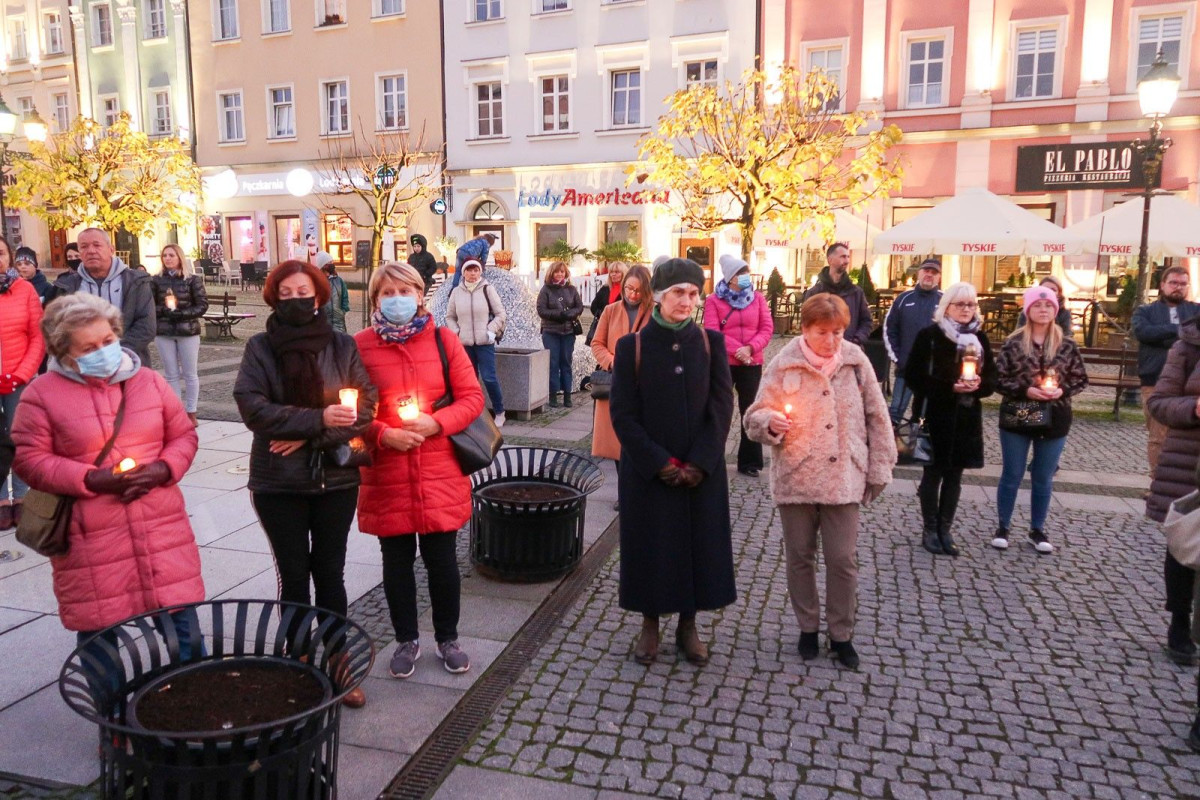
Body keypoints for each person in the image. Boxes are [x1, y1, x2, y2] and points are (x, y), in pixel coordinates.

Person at [11, 293, 205, 664]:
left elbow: (183, 435)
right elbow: (29, 460)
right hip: (90, 535)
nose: (103, 351)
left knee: (186, 633)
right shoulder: (41, 394)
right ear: (66, 353)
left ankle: (195, 708)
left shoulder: (148, 381)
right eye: (89, 347)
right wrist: (90, 478)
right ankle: (113, 717)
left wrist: (163, 468)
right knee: (100, 633)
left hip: (160, 524)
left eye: (107, 341)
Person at [233, 259, 377, 709]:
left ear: (320, 296)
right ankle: (295, 658)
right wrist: (315, 419)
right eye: (287, 293)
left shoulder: (342, 344)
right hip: (278, 484)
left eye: (305, 292)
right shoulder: (260, 347)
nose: (297, 300)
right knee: (293, 575)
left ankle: (338, 660)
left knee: (330, 573)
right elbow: (252, 406)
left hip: (335, 478)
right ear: (275, 298)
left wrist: (306, 437)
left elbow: (366, 406)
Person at [744, 294, 895, 669]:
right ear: (805, 329)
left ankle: (841, 634)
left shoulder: (856, 362)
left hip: (844, 476)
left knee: (842, 559)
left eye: (838, 332)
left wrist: (879, 468)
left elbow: (878, 418)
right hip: (797, 474)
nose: (831, 341)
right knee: (800, 557)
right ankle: (807, 627)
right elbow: (754, 415)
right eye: (822, 332)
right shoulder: (784, 362)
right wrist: (768, 423)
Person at [354, 262, 484, 679]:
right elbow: (349, 408)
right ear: (375, 299)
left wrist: (436, 423)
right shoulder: (358, 346)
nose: (397, 300)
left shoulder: (445, 340)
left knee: (443, 561)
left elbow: (471, 398)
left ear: (419, 294)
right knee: (395, 562)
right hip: (387, 472)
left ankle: (448, 638)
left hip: (438, 469)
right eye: (387, 293)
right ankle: (406, 639)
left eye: (404, 291)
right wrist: (381, 434)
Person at [610, 258, 735, 667]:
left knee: (697, 545)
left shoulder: (709, 343)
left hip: (701, 471)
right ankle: (649, 622)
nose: (687, 300)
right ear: (660, 297)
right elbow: (623, 414)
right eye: (679, 293)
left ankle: (688, 623)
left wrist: (701, 461)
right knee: (651, 545)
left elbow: (721, 406)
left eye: (694, 293)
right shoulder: (633, 346)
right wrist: (659, 462)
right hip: (650, 472)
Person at [993, 285, 1088, 555]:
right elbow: (998, 379)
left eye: (1049, 306)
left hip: (1054, 417)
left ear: (1055, 311)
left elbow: (1080, 378)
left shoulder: (1067, 344)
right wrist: (1024, 389)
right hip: (1019, 413)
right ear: (1028, 310)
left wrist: (1062, 390)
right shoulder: (1014, 343)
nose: (1043, 309)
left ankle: (1037, 529)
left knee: (1043, 477)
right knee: (1012, 474)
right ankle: (1003, 526)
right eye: (1038, 305)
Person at [903, 282, 997, 557]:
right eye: (961, 304)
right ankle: (930, 529)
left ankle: (946, 529)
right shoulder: (930, 336)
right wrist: (949, 387)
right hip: (935, 415)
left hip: (966, 418)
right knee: (933, 473)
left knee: (955, 476)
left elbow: (992, 378)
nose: (967, 309)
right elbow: (913, 376)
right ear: (947, 307)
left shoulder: (980, 338)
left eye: (971, 304)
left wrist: (978, 385)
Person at [1146, 316, 1200, 665]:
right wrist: (1194, 408)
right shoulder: (1188, 346)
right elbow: (1159, 402)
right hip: (1189, 464)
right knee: (1186, 545)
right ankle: (1179, 623)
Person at [703, 254, 773, 477]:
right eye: (741, 273)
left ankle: (750, 462)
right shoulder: (714, 300)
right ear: (730, 277)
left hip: (752, 361)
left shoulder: (758, 299)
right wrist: (737, 351)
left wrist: (750, 348)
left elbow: (767, 328)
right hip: (725, 362)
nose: (746, 277)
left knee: (750, 410)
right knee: (720, 409)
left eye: (747, 272)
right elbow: (713, 332)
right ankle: (713, 458)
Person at [53, 228, 155, 365]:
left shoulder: (136, 282)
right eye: (84, 247)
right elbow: (60, 327)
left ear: (111, 249)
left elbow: (146, 325)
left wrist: (116, 352)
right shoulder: (67, 286)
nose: (91, 251)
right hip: (86, 364)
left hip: (129, 361)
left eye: (97, 245)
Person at [1134, 266, 1200, 476]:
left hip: (1189, 383)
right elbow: (1144, 333)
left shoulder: (1196, 311)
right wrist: (1180, 331)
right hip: (1154, 379)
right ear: (1162, 285)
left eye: (1182, 284)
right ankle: (1157, 480)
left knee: (1188, 437)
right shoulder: (1146, 311)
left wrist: (1163, 333)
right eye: (1173, 283)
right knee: (1158, 435)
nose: (1178, 288)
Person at [0, 236, 45, 531]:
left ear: (9, 256)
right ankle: (2, 499)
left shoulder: (24, 290)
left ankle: (22, 496)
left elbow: (37, 335)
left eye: (0, 253)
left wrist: (21, 374)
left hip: (18, 377)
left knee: (19, 437)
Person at [591, 264, 653, 463]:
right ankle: (623, 491)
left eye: (638, 291)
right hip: (615, 382)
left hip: (644, 383)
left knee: (641, 443)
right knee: (616, 444)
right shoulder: (610, 311)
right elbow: (597, 343)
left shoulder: (655, 312)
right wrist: (612, 362)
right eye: (629, 289)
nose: (633, 295)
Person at [446, 258, 507, 427]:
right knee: (469, 380)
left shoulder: (487, 289)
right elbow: (450, 316)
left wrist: (490, 330)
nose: (473, 274)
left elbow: (501, 314)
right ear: (463, 272)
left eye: (476, 270)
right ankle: (473, 413)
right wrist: (456, 331)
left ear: (480, 272)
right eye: (469, 270)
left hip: (484, 342)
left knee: (489, 378)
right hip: (464, 343)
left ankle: (499, 411)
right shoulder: (457, 292)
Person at [152, 244, 208, 427]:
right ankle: (176, 412)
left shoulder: (192, 280)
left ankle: (191, 411)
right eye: (165, 255)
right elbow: (149, 305)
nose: (168, 258)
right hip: (164, 331)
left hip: (187, 330)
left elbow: (202, 305)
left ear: (179, 258)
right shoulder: (155, 281)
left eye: (171, 255)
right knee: (171, 374)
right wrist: (163, 311)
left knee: (190, 373)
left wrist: (183, 313)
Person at [884, 258, 942, 422]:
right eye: (926, 271)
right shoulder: (903, 299)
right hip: (906, 368)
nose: (929, 275)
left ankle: (922, 446)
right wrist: (898, 358)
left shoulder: (945, 301)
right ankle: (890, 445)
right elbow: (889, 330)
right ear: (919, 273)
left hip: (933, 371)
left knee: (927, 416)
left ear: (939, 277)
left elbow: (953, 331)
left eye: (934, 272)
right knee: (895, 412)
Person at [803, 243, 873, 346]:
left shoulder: (856, 293)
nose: (847, 261)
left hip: (850, 351)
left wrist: (857, 340)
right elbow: (806, 322)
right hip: (821, 350)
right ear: (830, 260)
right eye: (843, 256)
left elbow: (867, 321)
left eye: (848, 257)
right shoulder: (814, 293)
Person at [536, 261, 584, 408]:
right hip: (551, 332)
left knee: (566, 363)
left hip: (568, 332)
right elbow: (541, 310)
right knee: (553, 363)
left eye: (562, 272)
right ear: (552, 273)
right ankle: (553, 396)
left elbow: (579, 306)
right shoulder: (545, 290)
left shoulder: (571, 289)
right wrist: (559, 314)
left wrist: (569, 314)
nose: (559, 274)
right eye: (557, 272)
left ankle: (568, 396)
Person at [587, 261, 626, 345]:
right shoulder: (605, 289)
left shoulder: (627, 290)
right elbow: (594, 306)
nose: (613, 274)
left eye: (617, 272)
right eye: (611, 272)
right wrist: (603, 316)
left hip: (621, 328)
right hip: (604, 326)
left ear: (623, 273)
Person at [316, 253, 351, 333]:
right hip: (323, 324)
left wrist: (343, 311)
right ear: (323, 265)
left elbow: (345, 297)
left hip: (339, 324)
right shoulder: (317, 282)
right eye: (330, 263)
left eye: (333, 262)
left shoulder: (339, 280)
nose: (332, 265)